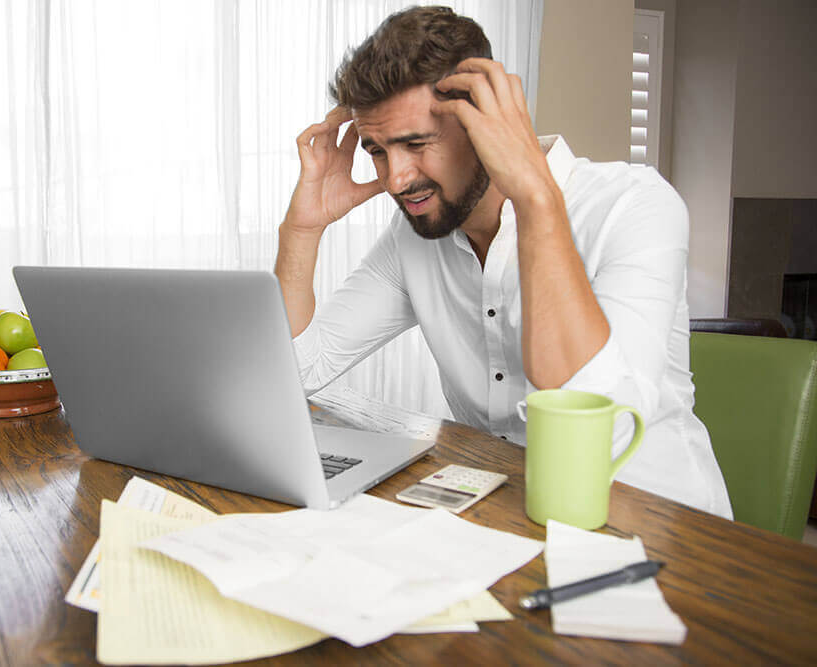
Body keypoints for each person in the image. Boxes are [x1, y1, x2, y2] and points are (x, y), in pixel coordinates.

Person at [273, 6, 732, 519]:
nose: (396, 179)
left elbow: (600, 432)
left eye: (416, 144)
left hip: (665, 525)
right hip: (510, 513)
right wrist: (302, 231)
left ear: (486, 123)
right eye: (378, 150)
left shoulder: (634, 205)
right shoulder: (414, 238)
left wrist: (534, 198)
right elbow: (295, 372)